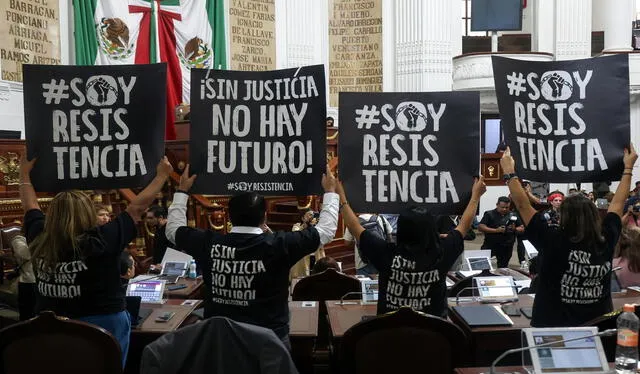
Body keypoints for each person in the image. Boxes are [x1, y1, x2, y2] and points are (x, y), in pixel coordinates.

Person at [20, 155, 173, 367]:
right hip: (102, 326)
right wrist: (162, 176)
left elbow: (29, 205)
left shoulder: (38, 236)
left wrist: (24, 174)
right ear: (88, 214)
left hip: (51, 328)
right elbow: (137, 208)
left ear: (51, 215)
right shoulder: (103, 239)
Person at [165, 165, 339, 348]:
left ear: (230, 218)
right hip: (270, 345)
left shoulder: (208, 244)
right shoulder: (280, 245)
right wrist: (330, 191)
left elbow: (172, 230)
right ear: (264, 217)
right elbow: (326, 231)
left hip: (221, 343)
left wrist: (182, 190)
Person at [501, 145, 636, 327]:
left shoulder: (551, 239)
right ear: (594, 214)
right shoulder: (606, 238)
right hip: (596, 329)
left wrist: (509, 172)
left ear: (563, 216)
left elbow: (523, 205)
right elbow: (618, 204)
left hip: (553, 328)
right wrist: (628, 168)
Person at [336, 176, 486, 317]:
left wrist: (341, 196)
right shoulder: (442, 251)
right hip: (435, 335)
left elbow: (354, 226)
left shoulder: (384, 252)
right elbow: (464, 226)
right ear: (431, 228)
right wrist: (475, 197)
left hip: (390, 333)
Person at [478, 196, 524, 268]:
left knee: (503, 267)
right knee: (482, 265)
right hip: (490, 244)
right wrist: (496, 230)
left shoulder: (513, 215)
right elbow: (481, 227)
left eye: (507, 207)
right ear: (497, 205)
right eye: (502, 207)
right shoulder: (489, 214)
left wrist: (514, 229)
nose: (504, 209)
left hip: (506, 246)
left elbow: (522, 227)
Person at [290, 209, 325, 278]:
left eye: (312, 215)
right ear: (303, 218)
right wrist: (306, 225)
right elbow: (297, 235)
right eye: (309, 215)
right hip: (303, 261)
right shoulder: (297, 226)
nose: (311, 217)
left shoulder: (317, 228)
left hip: (316, 257)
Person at [11, 234, 36, 320]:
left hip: (42, 281)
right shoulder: (18, 240)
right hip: (28, 282)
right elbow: (26, 254)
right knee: (26, 315)